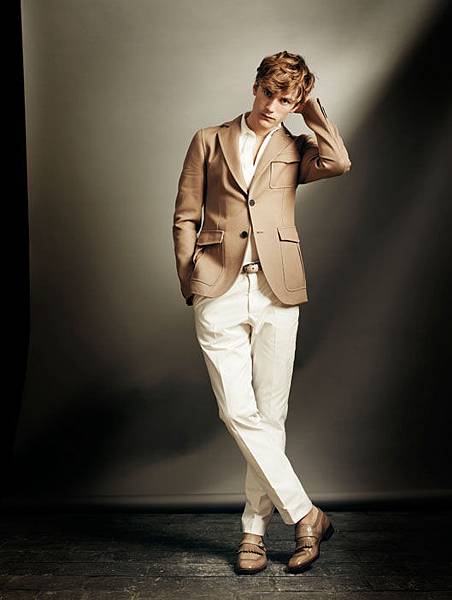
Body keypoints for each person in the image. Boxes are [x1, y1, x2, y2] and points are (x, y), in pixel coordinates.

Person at [172, 50, 351, 574]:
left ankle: (253, 532)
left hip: (277, 288)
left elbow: (338, 161)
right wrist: (191, 278)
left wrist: (310, 107)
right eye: (270, 94)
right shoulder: (209, 140)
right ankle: (306, 514)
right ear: (256, 87)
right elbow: (185, 215)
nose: (274, 106)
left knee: (271, 417)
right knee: (238, 411)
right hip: (219, 288)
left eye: (286, 100)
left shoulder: (296, 147)